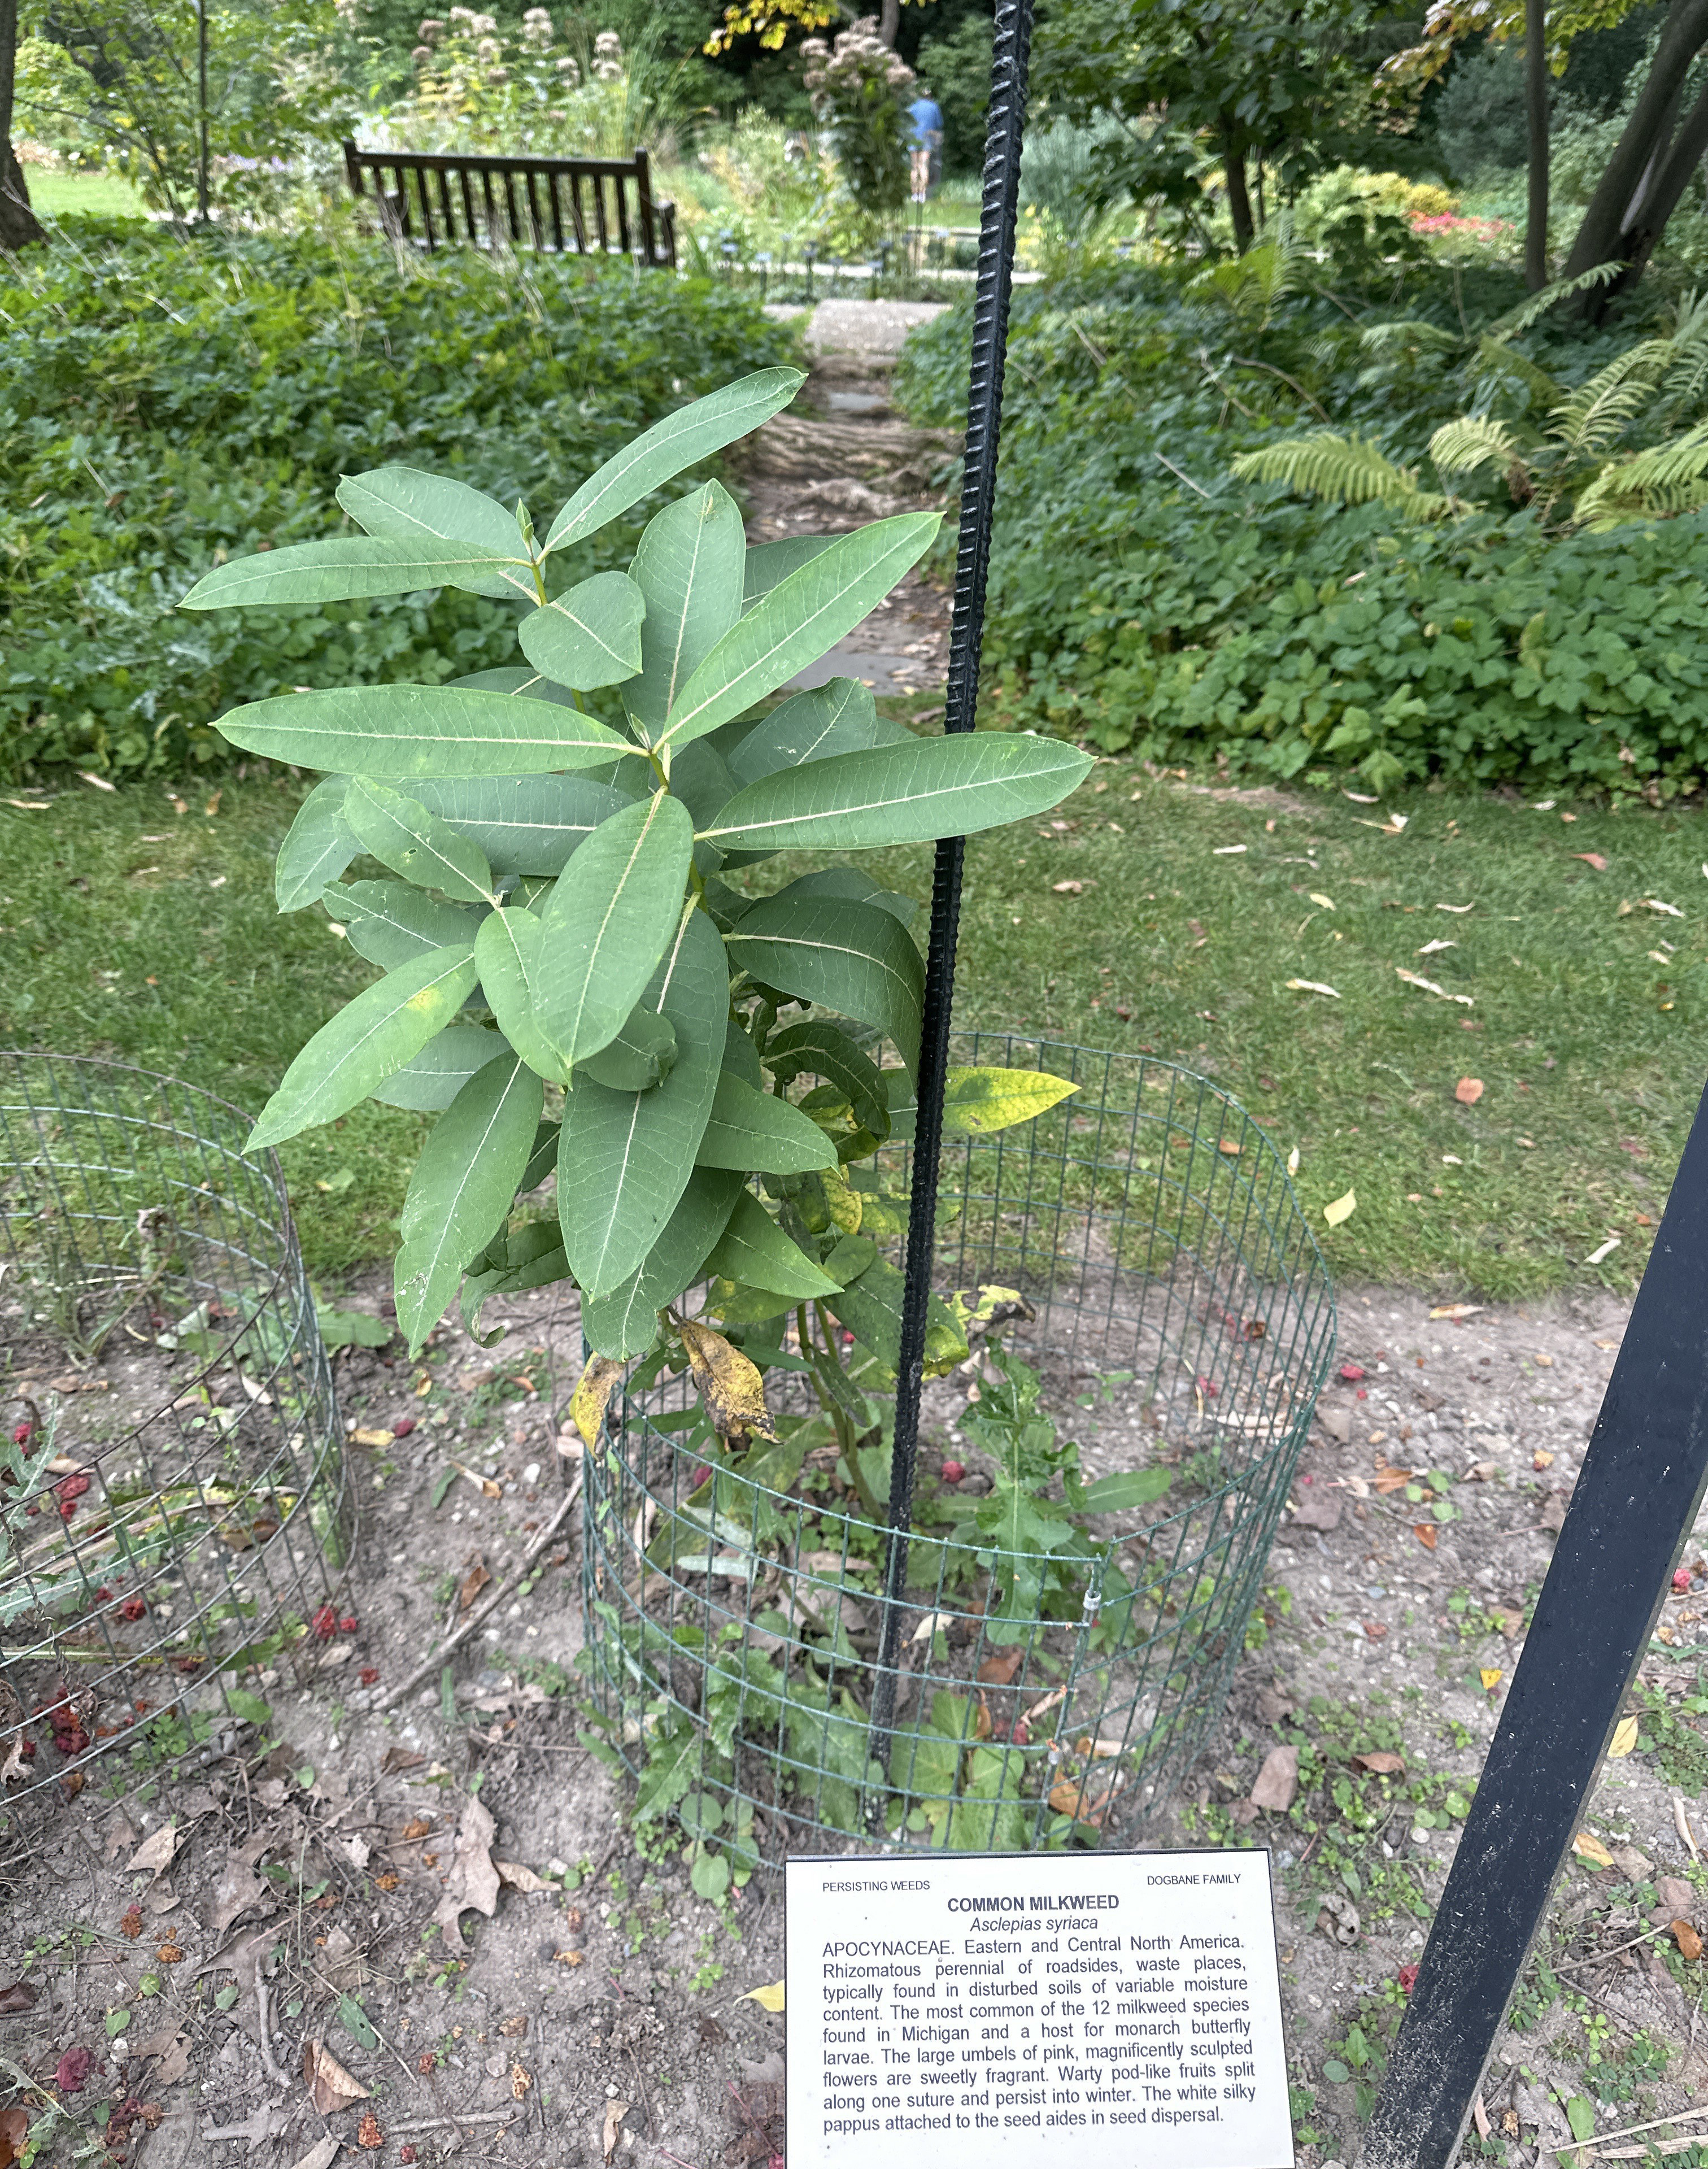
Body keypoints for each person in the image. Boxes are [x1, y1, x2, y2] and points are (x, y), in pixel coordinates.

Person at [908, 85, 943, 201]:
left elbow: (907, 121)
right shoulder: (934, 107)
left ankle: (914, 195)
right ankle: (922, 195)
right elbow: (939, 125)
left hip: (913, 138)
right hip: (927, 139)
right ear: (930, 96)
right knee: (924, 166)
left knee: (914, 167)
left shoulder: (913, 107)